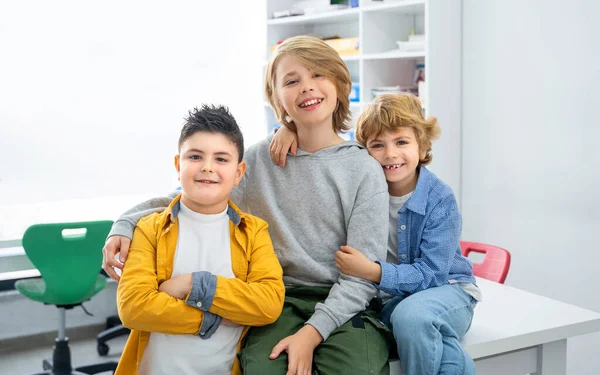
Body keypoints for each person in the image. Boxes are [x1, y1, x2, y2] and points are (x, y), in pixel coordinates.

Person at [103, 36, 391, 375]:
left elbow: (362, 276)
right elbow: (189, 196)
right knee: (260, 368)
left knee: (357, 370)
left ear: (340, 83)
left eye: (317, 75)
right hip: (278, 300)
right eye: (291, 81)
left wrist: (312, 333)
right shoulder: (259, 158)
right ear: (277, 99)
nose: (306, 88)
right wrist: (124, 224)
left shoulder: (363, 170)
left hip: (346, 303)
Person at [271, 93, 482, 375]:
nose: (390, 153)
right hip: (393, 300)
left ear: (422, 146)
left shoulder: (439, 198)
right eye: (377, 145)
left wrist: (373, 272)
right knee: (414, 334)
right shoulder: (362, 186)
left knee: (412, 318)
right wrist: (289, 128)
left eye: (402, 142)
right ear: (363, 151)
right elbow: (328, 149)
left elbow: (432, 274)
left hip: (448, 290)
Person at [114, 105, 285, 375]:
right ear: (177, 165)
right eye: (195, 156)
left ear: (239, 173)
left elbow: (268, 304)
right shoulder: (149, 230)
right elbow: (134, 308)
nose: (207, 167)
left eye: (221, 159)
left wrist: (192, 285)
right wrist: (214, 316)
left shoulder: (254, 233)